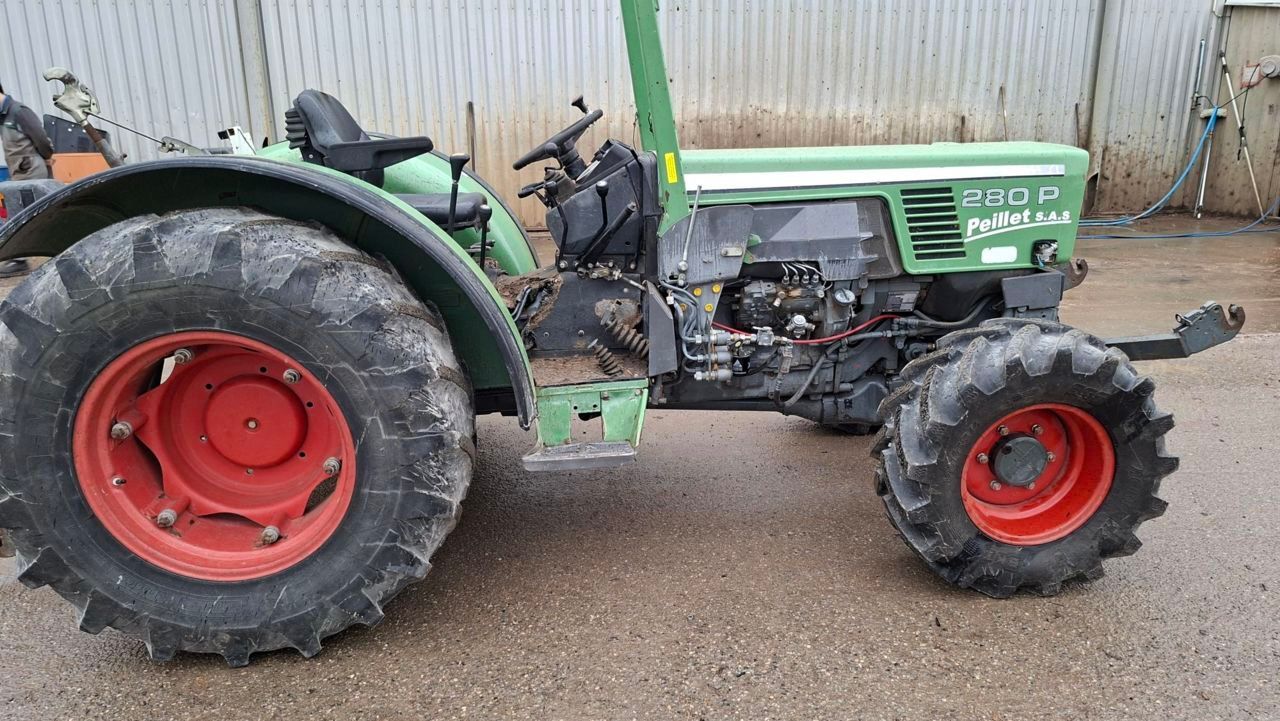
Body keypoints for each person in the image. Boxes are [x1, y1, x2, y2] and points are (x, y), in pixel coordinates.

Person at [0, 81, 55, 277]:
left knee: (31, 212)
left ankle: (20, 261)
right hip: (18, 172)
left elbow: (41, 139)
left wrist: (47, 157)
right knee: (21, 211)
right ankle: (21, 259)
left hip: (32, 170)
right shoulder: (3, 115)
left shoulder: (18, 111)